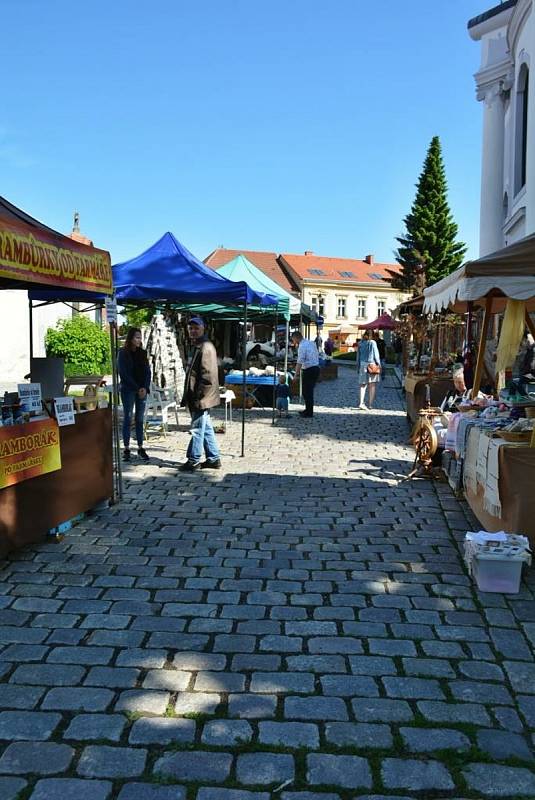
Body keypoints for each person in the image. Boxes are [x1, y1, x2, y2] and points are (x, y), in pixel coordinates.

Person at [179, 316, 222, 472]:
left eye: (196, 328)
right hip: (199, 396)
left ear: (203, 328)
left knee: (197, 429)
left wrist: (199, 397)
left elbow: (207, 376)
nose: (193, 331)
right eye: (191, 328)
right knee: (206, 427)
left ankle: (193, 460)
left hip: (202, 397)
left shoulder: (205, 347)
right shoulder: (198, 345)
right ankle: (213, 458)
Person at [117, 327, 151, 462]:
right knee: (128, 417)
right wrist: (137, 388)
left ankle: (140, 446)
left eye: (140, 337)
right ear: (130, 338)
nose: (139, 339)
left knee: (140, 419)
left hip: (141, 389)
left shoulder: (143, 353)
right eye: (137, 337)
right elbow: (124, 373)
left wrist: (145, 387)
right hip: (129, 389)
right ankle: (126, 448)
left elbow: (148, 371)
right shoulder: (123, 353)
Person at [292, 331, 320, 418]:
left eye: (293, 339)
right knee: (308, 391)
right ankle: (308, 410)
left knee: (307, 392)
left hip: (309, 370)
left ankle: (309, 412)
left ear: (296, 338)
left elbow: (300, 361)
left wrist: (296, 375)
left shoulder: (302, 346)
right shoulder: (310, 343)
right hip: (315, 368)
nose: (293, 341)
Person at [356, 330, 381, 410]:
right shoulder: (373, 342)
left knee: (362, 385)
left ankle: (361, 403)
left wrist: (358, 367)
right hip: (372, 365)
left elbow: (358, 357)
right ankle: (370, 404)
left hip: (362, 365)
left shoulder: (360, 343)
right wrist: (379, 364)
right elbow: (376, 355)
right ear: (372, 335)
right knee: (372, 385)